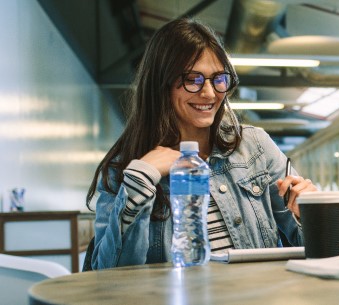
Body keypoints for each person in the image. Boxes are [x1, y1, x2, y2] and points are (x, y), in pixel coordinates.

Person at [85, 18, 317, 270]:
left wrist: (310, 213)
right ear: (161, 84)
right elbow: (106, 275)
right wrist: (142, 178)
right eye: (192, 79)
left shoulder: (254, 146)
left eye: (218, 78)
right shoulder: (126, 166)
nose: (209, 93)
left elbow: (309, 248)